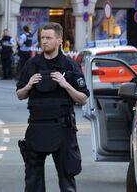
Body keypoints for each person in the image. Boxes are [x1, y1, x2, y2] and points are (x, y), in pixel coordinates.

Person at [15, 23, 89, 192]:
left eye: (49, 38)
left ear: (59, 40)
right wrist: (28, 85)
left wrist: (66, 85)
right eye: (42, 38)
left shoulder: (69, 65)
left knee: (67, 177)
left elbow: (83, 98)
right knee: (33, 179)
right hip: (37, 127)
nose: (45, 41)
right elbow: (19, 95)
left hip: (63, 128)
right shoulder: (32, 64)